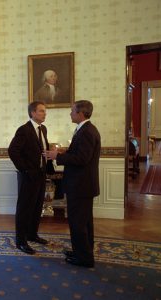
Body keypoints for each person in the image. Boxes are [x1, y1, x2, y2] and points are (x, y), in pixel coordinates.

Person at [46, 100, 101, 268]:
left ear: (81, 113)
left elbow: (82, 159)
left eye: (72, 111)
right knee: (84, 222)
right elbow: (80, 153)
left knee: (78, 222)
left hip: (81, 186)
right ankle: (82, 252)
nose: (70, 114)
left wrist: (58, 157)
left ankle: (84, 258)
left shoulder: (86, 132)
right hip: (82, 185)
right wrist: (65, 151)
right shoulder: (85, 129)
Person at [8, 101, 54, 255]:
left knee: (36, 207)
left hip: (40, 175)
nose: (44, 113)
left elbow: (42, 149)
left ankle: (32, 235)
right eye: (41, 111)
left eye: (44, 111)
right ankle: (21, 241)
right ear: (33, 113)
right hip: (28, 176)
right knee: (24, 209)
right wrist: (26, 169)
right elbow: (13, 151)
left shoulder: (43, 129)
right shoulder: (24, 130)